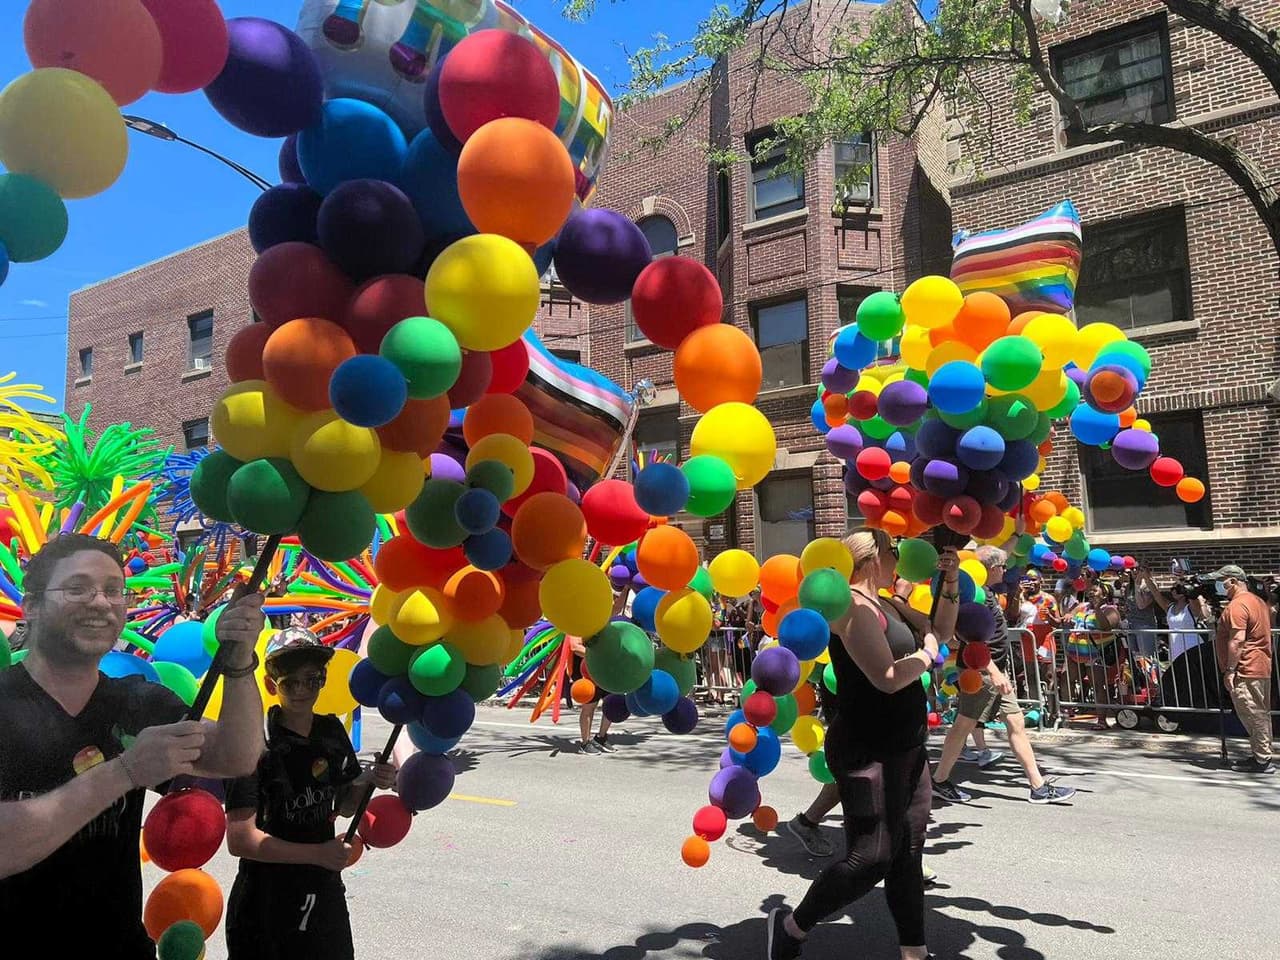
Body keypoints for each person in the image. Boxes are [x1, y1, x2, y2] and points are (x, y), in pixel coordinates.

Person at [0, 534, 265, 957]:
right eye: (78, 588)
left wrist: (238, 665)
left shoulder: (137, 701)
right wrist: (124, 772)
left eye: (113, 590)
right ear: (31, 606)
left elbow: (236, 754)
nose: (101, 602)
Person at [766, 529, 958, 960]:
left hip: (907, 747)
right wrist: (927, 656)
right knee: (870, 858)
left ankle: (915, 952)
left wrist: (951, 582)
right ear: (872, 558)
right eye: (895, 551)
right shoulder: (850, 607)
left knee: (908, 854)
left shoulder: (891, 602)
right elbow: (886, 678)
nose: (901, 558)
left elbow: (941, 629)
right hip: (866, 749)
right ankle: (791, 926)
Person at [224, 628, 396, 959]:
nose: (302, 690)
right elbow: (241, 840)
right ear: (272, 686)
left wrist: (368, 781)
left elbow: (345, 806)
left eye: (312, 679)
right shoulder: (253, 744)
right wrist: (318, 853)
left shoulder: (331, 732)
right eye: (291, 682)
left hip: (322, 890)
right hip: (266, 901)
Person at [931, 547, 1075, 805]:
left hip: (994, 668)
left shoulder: (986, 592)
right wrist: (994, 672)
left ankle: (1038, 787)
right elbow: (969, 637)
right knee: (964, 724)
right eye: (1001, 566)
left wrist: (1018, 531)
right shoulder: (975, 596)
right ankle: (939, 780)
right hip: (981, 671)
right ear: (990, 568)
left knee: (1015, 723)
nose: (1005, 570)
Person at [1209, 565, 1274, 773]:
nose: (1220, 585)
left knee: (1252, 712)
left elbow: (1237, 640)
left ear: (1233, 581)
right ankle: (1260, 753)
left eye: (1223, 581)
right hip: (1259, 665)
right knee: (1259, 712)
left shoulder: (1237, 605)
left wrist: (1230, 670)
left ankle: (1262, 759)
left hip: (1246, 668)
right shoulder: (1258, 601)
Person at [1064, 580, 1122, 730]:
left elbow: (1106, 627)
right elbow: (1067, 616)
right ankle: (1064, 714)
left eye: (1095, 590)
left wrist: (1097, 609)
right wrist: (1066, 615)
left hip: (1095, 653)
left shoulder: (1110, 609)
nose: (1090, 592)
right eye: (1090, 590)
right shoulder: (1082, 607)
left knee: (1097, 685)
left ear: (1104, 594)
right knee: (1066, 680)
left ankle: (1101, 720)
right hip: (1074, 651)